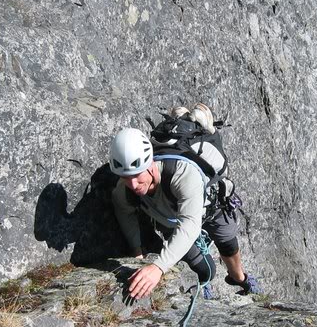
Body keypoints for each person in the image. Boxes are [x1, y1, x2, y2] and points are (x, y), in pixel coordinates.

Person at [109, 125, 260, 300]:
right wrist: (137, 252)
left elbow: (190, 225)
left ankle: (240, 278)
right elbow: (124, 212)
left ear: (150, 164)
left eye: (137, 175)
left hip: (210, 207)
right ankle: (203, 285)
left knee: (228, 244)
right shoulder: (124, 190)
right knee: (207, 270)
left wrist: (158, 267)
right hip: (171, 220)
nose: (133, 184)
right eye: (126, 177)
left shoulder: (182, 174)